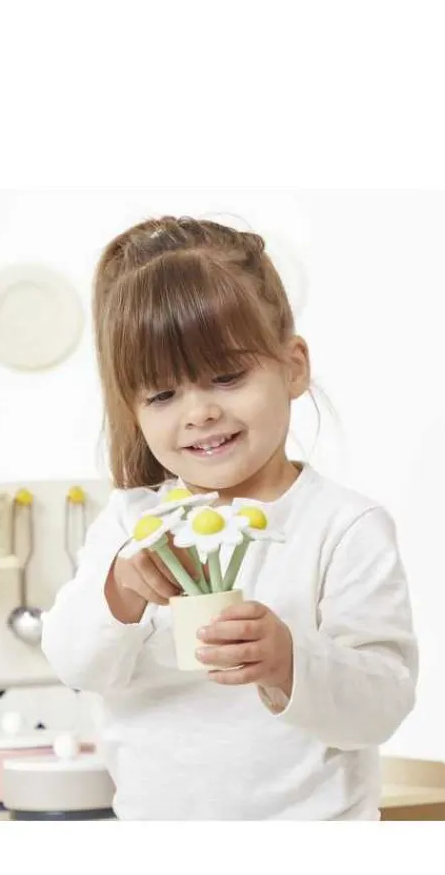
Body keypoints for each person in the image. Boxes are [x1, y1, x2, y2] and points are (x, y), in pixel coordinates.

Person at [41, 215, 418, 820]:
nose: (199, 413)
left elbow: (383, 703)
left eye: (226, 377)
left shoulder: (343, 526)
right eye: (163, 395)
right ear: (133, 411)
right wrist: (121, 591)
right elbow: (76, 664)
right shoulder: (134, 525)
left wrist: (290, 662)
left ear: (293, 366)